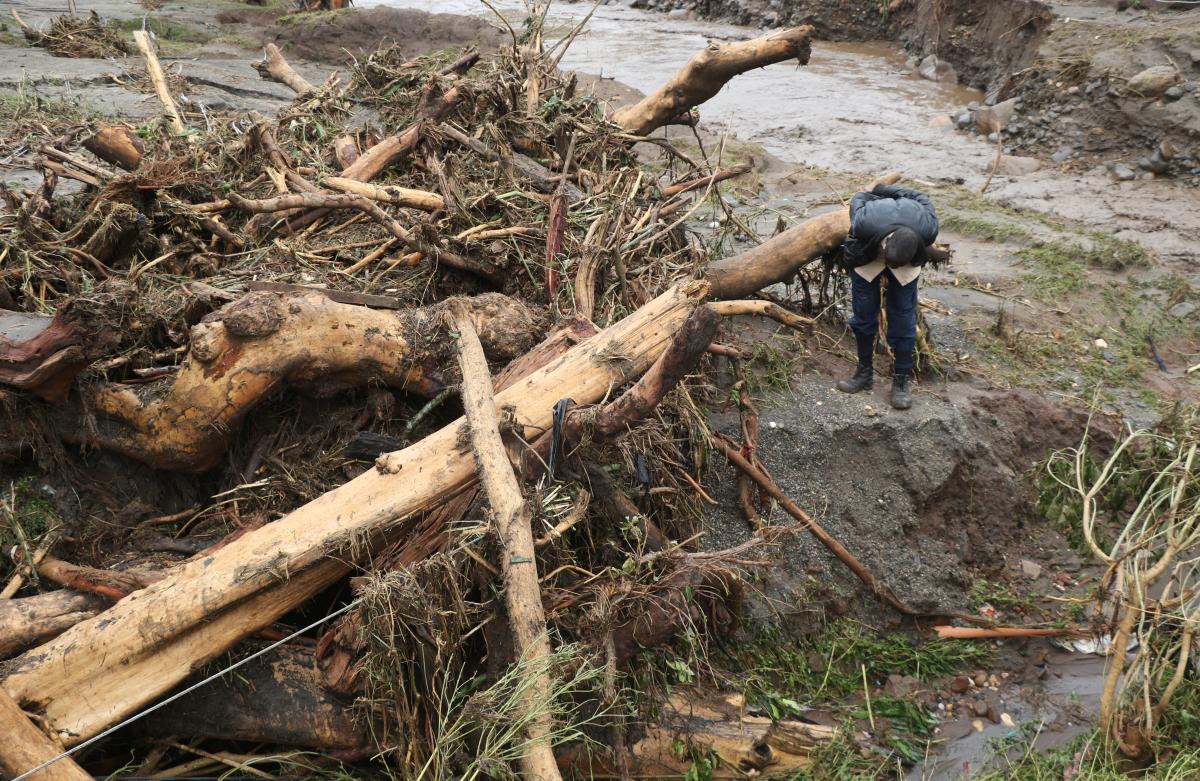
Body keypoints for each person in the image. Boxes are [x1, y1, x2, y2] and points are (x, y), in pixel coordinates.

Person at [835, 183, 939, 410]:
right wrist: (879, 191)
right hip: (868, 256)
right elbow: (859, 196)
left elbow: (920, 195)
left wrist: (892, 190)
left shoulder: (928, 229)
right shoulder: (865, 222)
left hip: (908, 263)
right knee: (863, 315)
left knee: (903, 318)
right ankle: (863, 373)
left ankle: (901, 381)